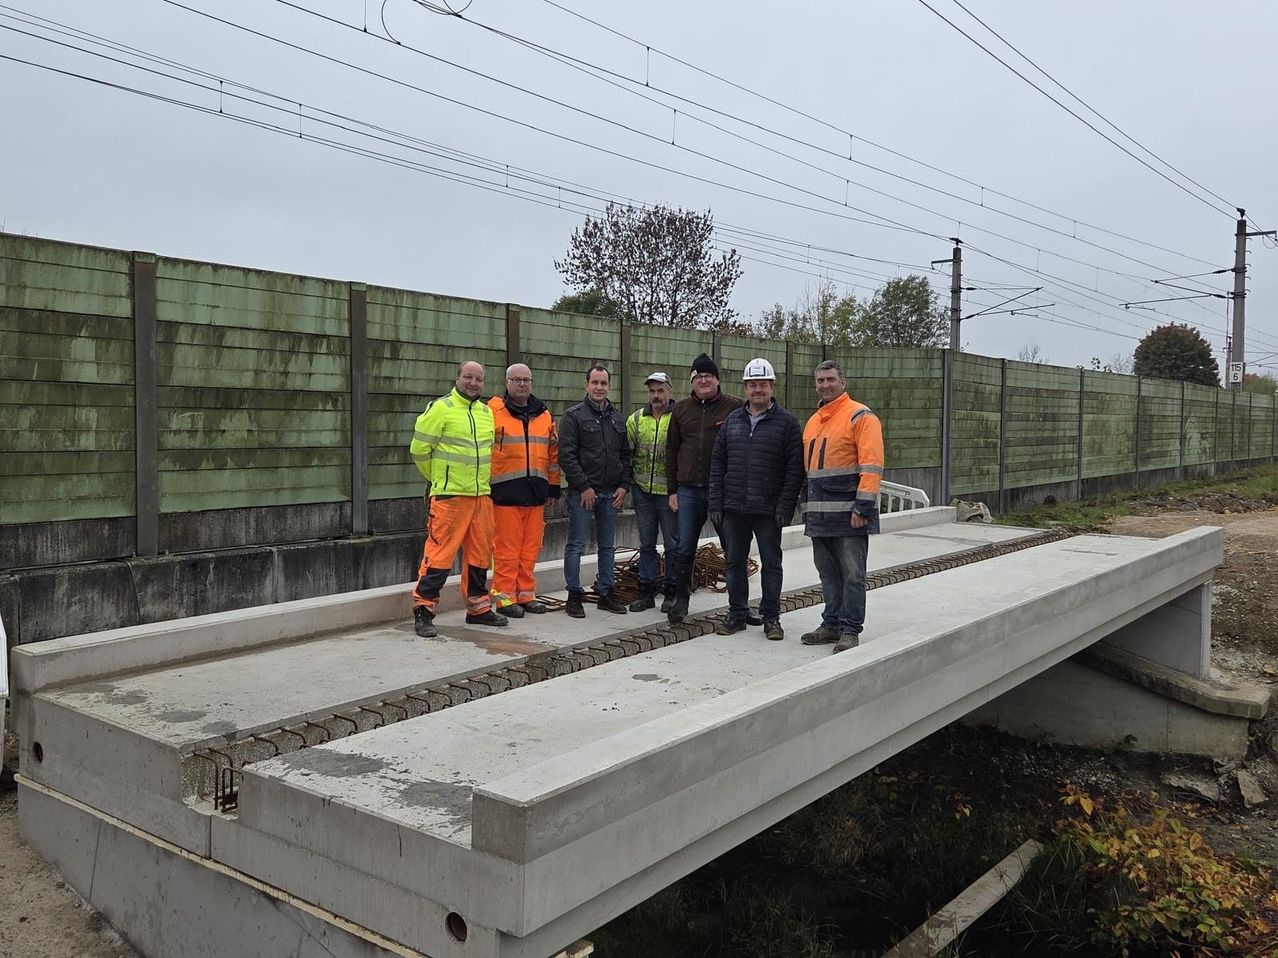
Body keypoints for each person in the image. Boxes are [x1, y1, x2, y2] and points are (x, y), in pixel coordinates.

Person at [408, 360, 506, 638]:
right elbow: (419, 450)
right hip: (450, 497)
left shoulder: (487, 413)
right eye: (468, 377)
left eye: (479, 379)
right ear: (457, 378)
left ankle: (478, 609)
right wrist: (438, 480)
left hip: (481, 496)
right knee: (439, 556)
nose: (473, 383)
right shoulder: (441, 408)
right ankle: (423, 610)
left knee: (479, 556)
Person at [708, 358, 803, 640]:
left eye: (763, 384)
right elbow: (718, 464)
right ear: (745, 388)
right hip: (734, 508)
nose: (757, 389)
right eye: (752, 385)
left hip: (768, 509)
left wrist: (785, 506)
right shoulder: (732, 422)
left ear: (772, 387)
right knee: (734, 563)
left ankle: (771, 618)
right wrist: (715, 503)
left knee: (772, 564)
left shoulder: (786, 423)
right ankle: (737, 613)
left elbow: (794, 468)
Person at [799, 360, 884, 653]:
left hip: (850, 515)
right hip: (820, 515)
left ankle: (850, 629)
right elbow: (809, 470)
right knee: (827, 573)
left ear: (842, 383)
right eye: (820, 380)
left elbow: (871, 465)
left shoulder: (860, 416)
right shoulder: (814, 421)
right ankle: (831, 623)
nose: (825, 385)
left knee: (852, 574)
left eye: (830, 379)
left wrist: (863, 508)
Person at [664, 353, 743, 623]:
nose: (703, 380)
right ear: (692, 381)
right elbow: (671, 450)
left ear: (717, 379)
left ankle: (739, 606)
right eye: (698, 376)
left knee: (732, 548)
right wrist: (672, 490)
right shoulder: (681, 410)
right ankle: (681, 600)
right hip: (688, 491)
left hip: (722, 491)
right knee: (684, 547)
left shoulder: (735, 408)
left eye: (708, 375)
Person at [558, 364, 632, 618]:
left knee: (607, 547)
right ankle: (574, 595)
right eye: (595, 383)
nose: (599, 388)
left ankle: (605, 593)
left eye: (604, 383)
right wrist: (584, 487)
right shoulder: (573, 416)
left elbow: (625, 455)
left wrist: (624, 487)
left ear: (609, 386)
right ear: (586, 384)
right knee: (576, 545)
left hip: (611, 494)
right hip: (583, 495)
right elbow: (566, 456)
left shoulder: (618, 418)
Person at [488, 363, 561, 618]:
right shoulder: (492, 412)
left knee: (530, 548)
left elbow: (553, 454)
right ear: (506, 382)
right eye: (517, 380)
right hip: (504, 494)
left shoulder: (543, 414)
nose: (522, 384)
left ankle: (526, 594)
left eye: (526, 380)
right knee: (506, 550)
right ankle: (504, 598)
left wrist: (553, 488)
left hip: (535, 494)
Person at [625, 372, 678, 612]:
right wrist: (629, 484)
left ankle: (672, 592)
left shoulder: (679, 417)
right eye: (652, 391)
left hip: (669, 494)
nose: (656, 396)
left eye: (660, 391)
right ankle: (645, 593)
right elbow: (626, 455)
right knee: (646, 544)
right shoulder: (636, 420)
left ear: (670, 391)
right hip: (643, 492)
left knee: (672, 544)